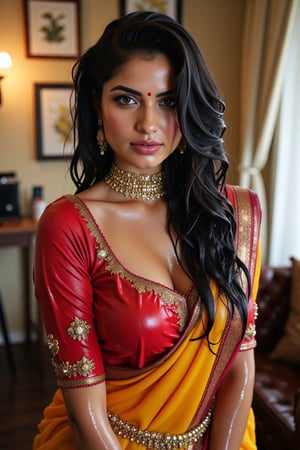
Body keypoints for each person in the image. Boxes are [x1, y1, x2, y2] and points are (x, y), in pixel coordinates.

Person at [33, 11, 262, 450]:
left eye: (169, 101)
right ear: (97, 107)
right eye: (127, 99)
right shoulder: (70, 226)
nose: (149, 123)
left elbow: (239, 363)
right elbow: (86, 414)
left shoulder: (233, 211)